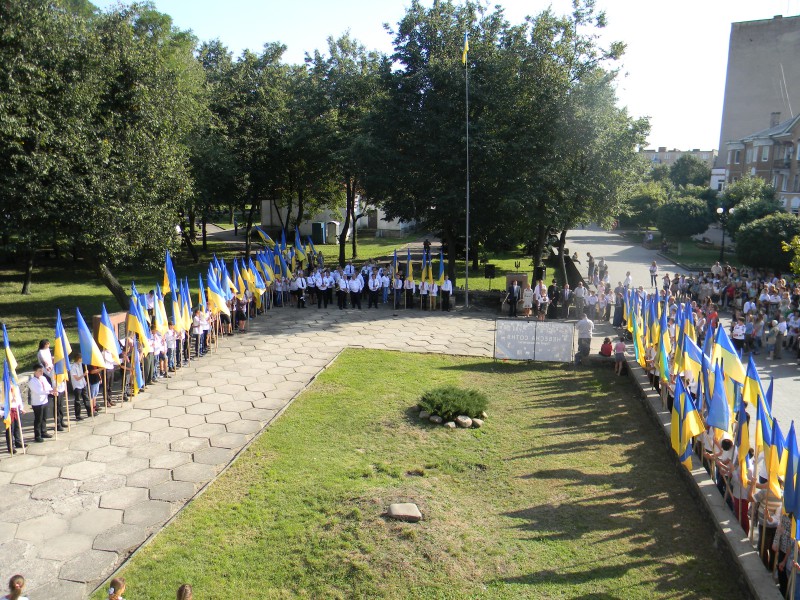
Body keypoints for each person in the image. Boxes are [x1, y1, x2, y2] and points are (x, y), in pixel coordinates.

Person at [28, 365, 53, 442]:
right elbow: (38, 391)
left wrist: (52, 390)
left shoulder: (43, 378)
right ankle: (37, 435)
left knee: (44, 418)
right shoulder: (32, 381)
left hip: (44, 401)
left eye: (42, 370)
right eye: (40, 371)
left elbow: (48, 386)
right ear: (35, 371)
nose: (42, 372)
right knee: (38, 419)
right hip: (37, 403)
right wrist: (49, 392)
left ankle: (44, 432)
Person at [69, 353, 91, 420]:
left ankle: (89, 412)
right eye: (81, 358)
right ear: (78, 358)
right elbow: (77, 378)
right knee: (77, 400)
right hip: (77, 385)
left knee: (86, 398)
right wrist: (84, 374)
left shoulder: (80, 364)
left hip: (83, 384)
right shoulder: (73, 367)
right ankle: (78, 415)